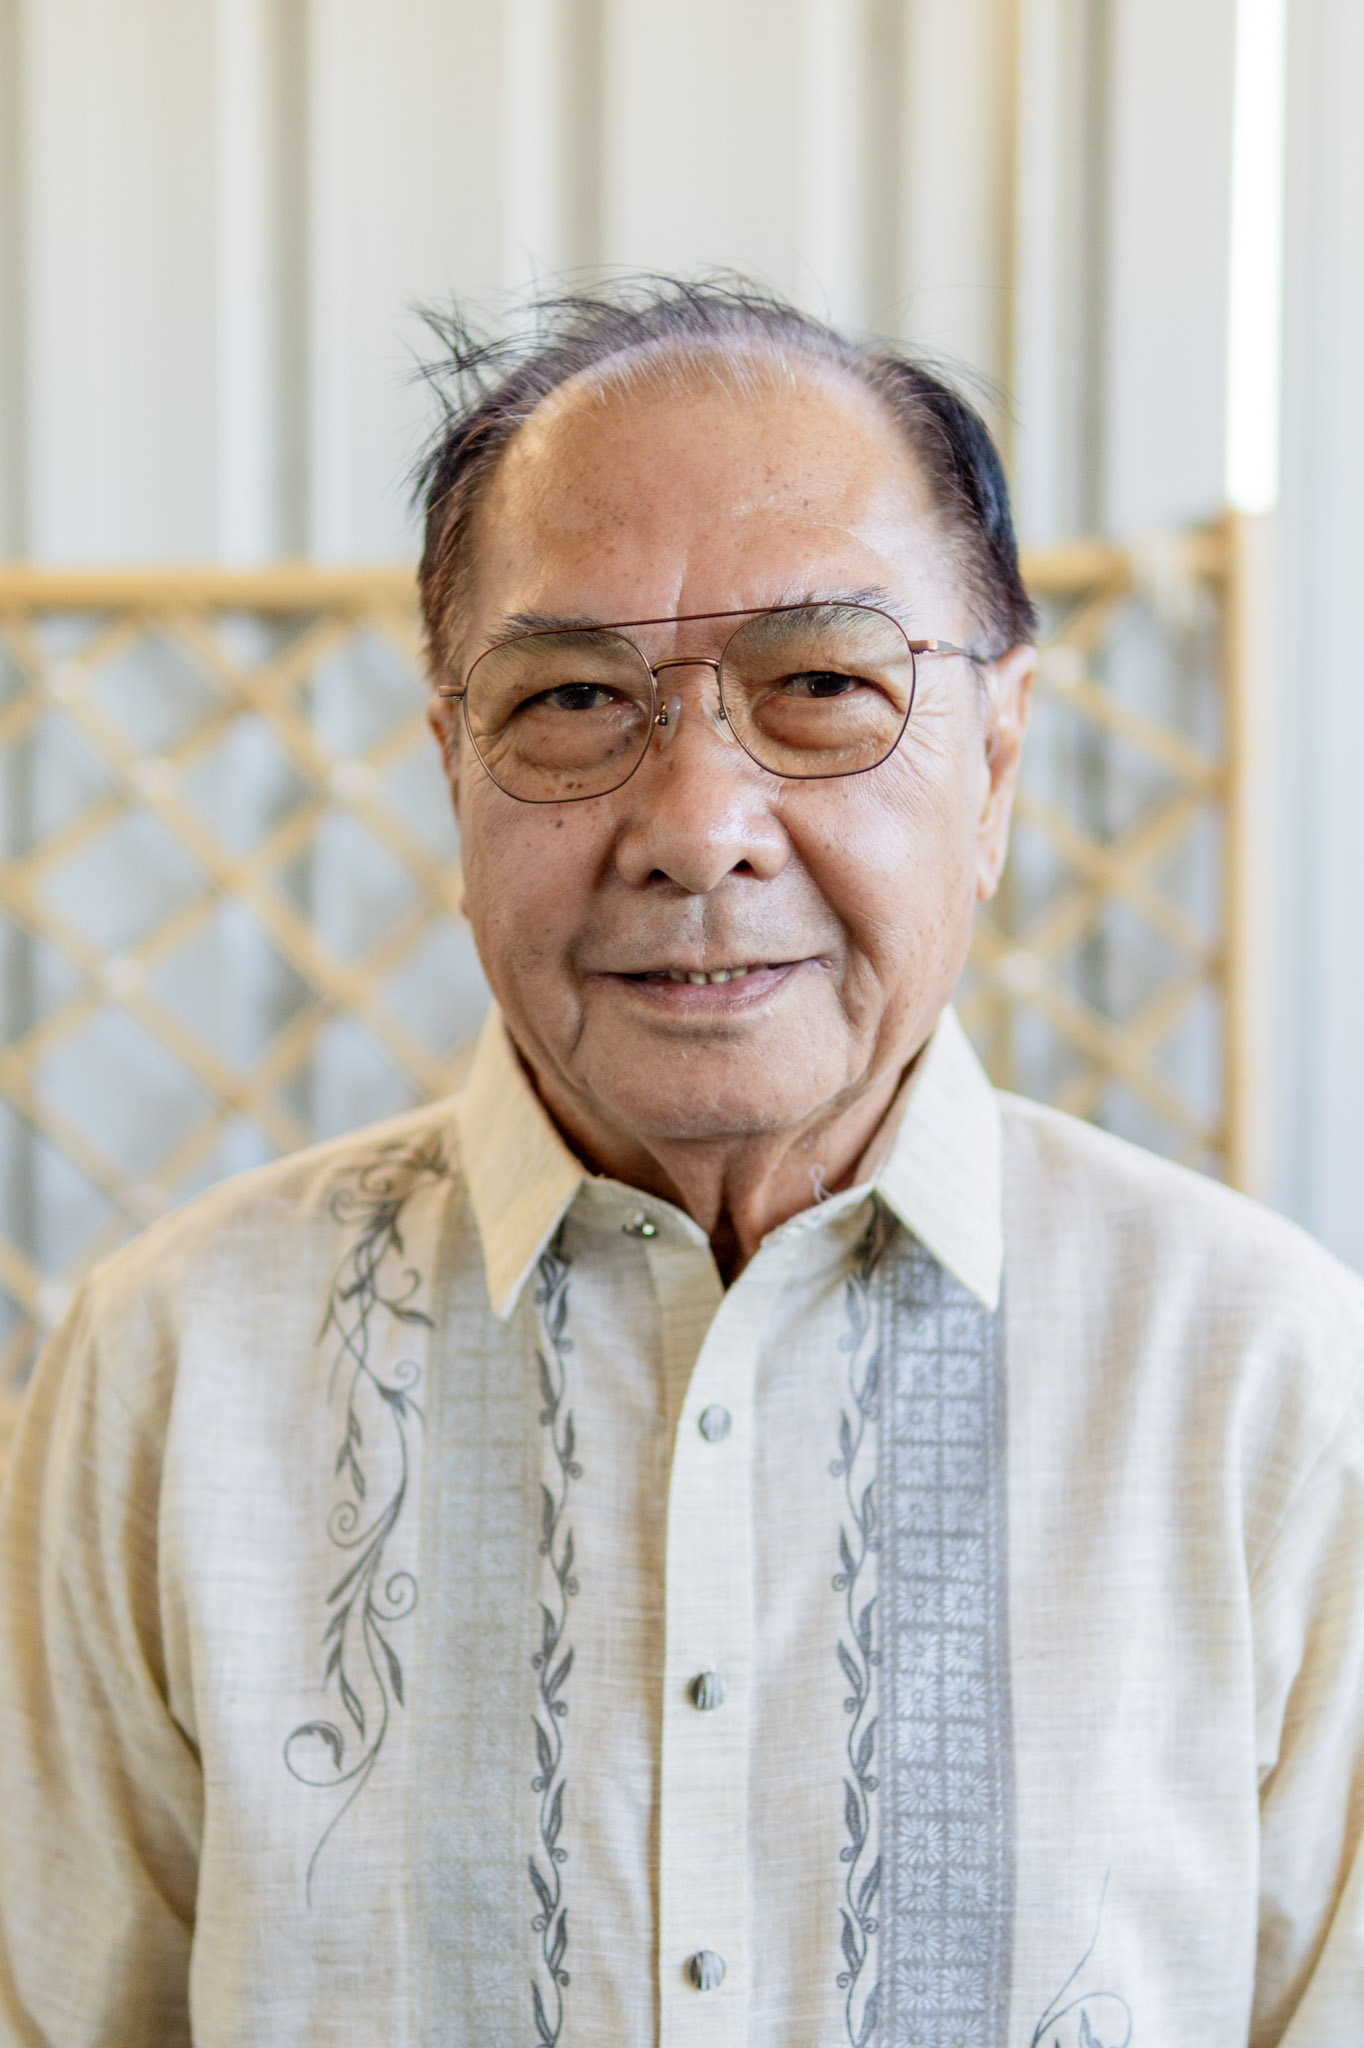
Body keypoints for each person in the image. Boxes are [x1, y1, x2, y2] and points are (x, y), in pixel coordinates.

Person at [2, 280, 1362, 2048]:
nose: (699, 827)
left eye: (822, 686)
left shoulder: (1265, 1382)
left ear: (998, 758)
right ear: (453, 766)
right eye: (573, 696)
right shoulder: (171, 1373)